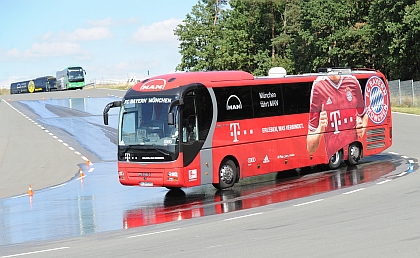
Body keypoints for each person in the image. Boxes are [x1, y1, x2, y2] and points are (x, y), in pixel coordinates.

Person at [307, 74, 368, 158]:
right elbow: (310, 149)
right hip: (332, 155)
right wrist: (320, 129)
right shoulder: (318, 85)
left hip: (351, 149)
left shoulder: (353, 82)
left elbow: (364, 114)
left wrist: (362, 128)